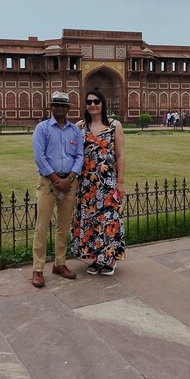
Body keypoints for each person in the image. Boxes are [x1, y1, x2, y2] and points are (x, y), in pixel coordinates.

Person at [31, 91, 84, 288]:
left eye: (63, 106)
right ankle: (37, 269)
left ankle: (59, 264)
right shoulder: (42, 128)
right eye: (56, 105)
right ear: (51, 108)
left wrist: (69, 178)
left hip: (69, 182)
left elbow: (80, 155)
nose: (59, 109)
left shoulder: (74, 131)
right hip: (48, 183)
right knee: (42, 227)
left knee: (63, 226)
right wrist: (55, 178)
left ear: (68, 108)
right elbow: (39, 157)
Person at [71, 88, 126, 276]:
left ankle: (109, 259)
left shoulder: (114, 125)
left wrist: (121, 182)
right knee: (91, 221)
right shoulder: (80, 126)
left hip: (108, 181)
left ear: (103, 103)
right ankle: (96, 258)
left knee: (108, 219)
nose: (93, 105)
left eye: (96, 101)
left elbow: (120, 154)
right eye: (89, 102)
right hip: (86, 183)